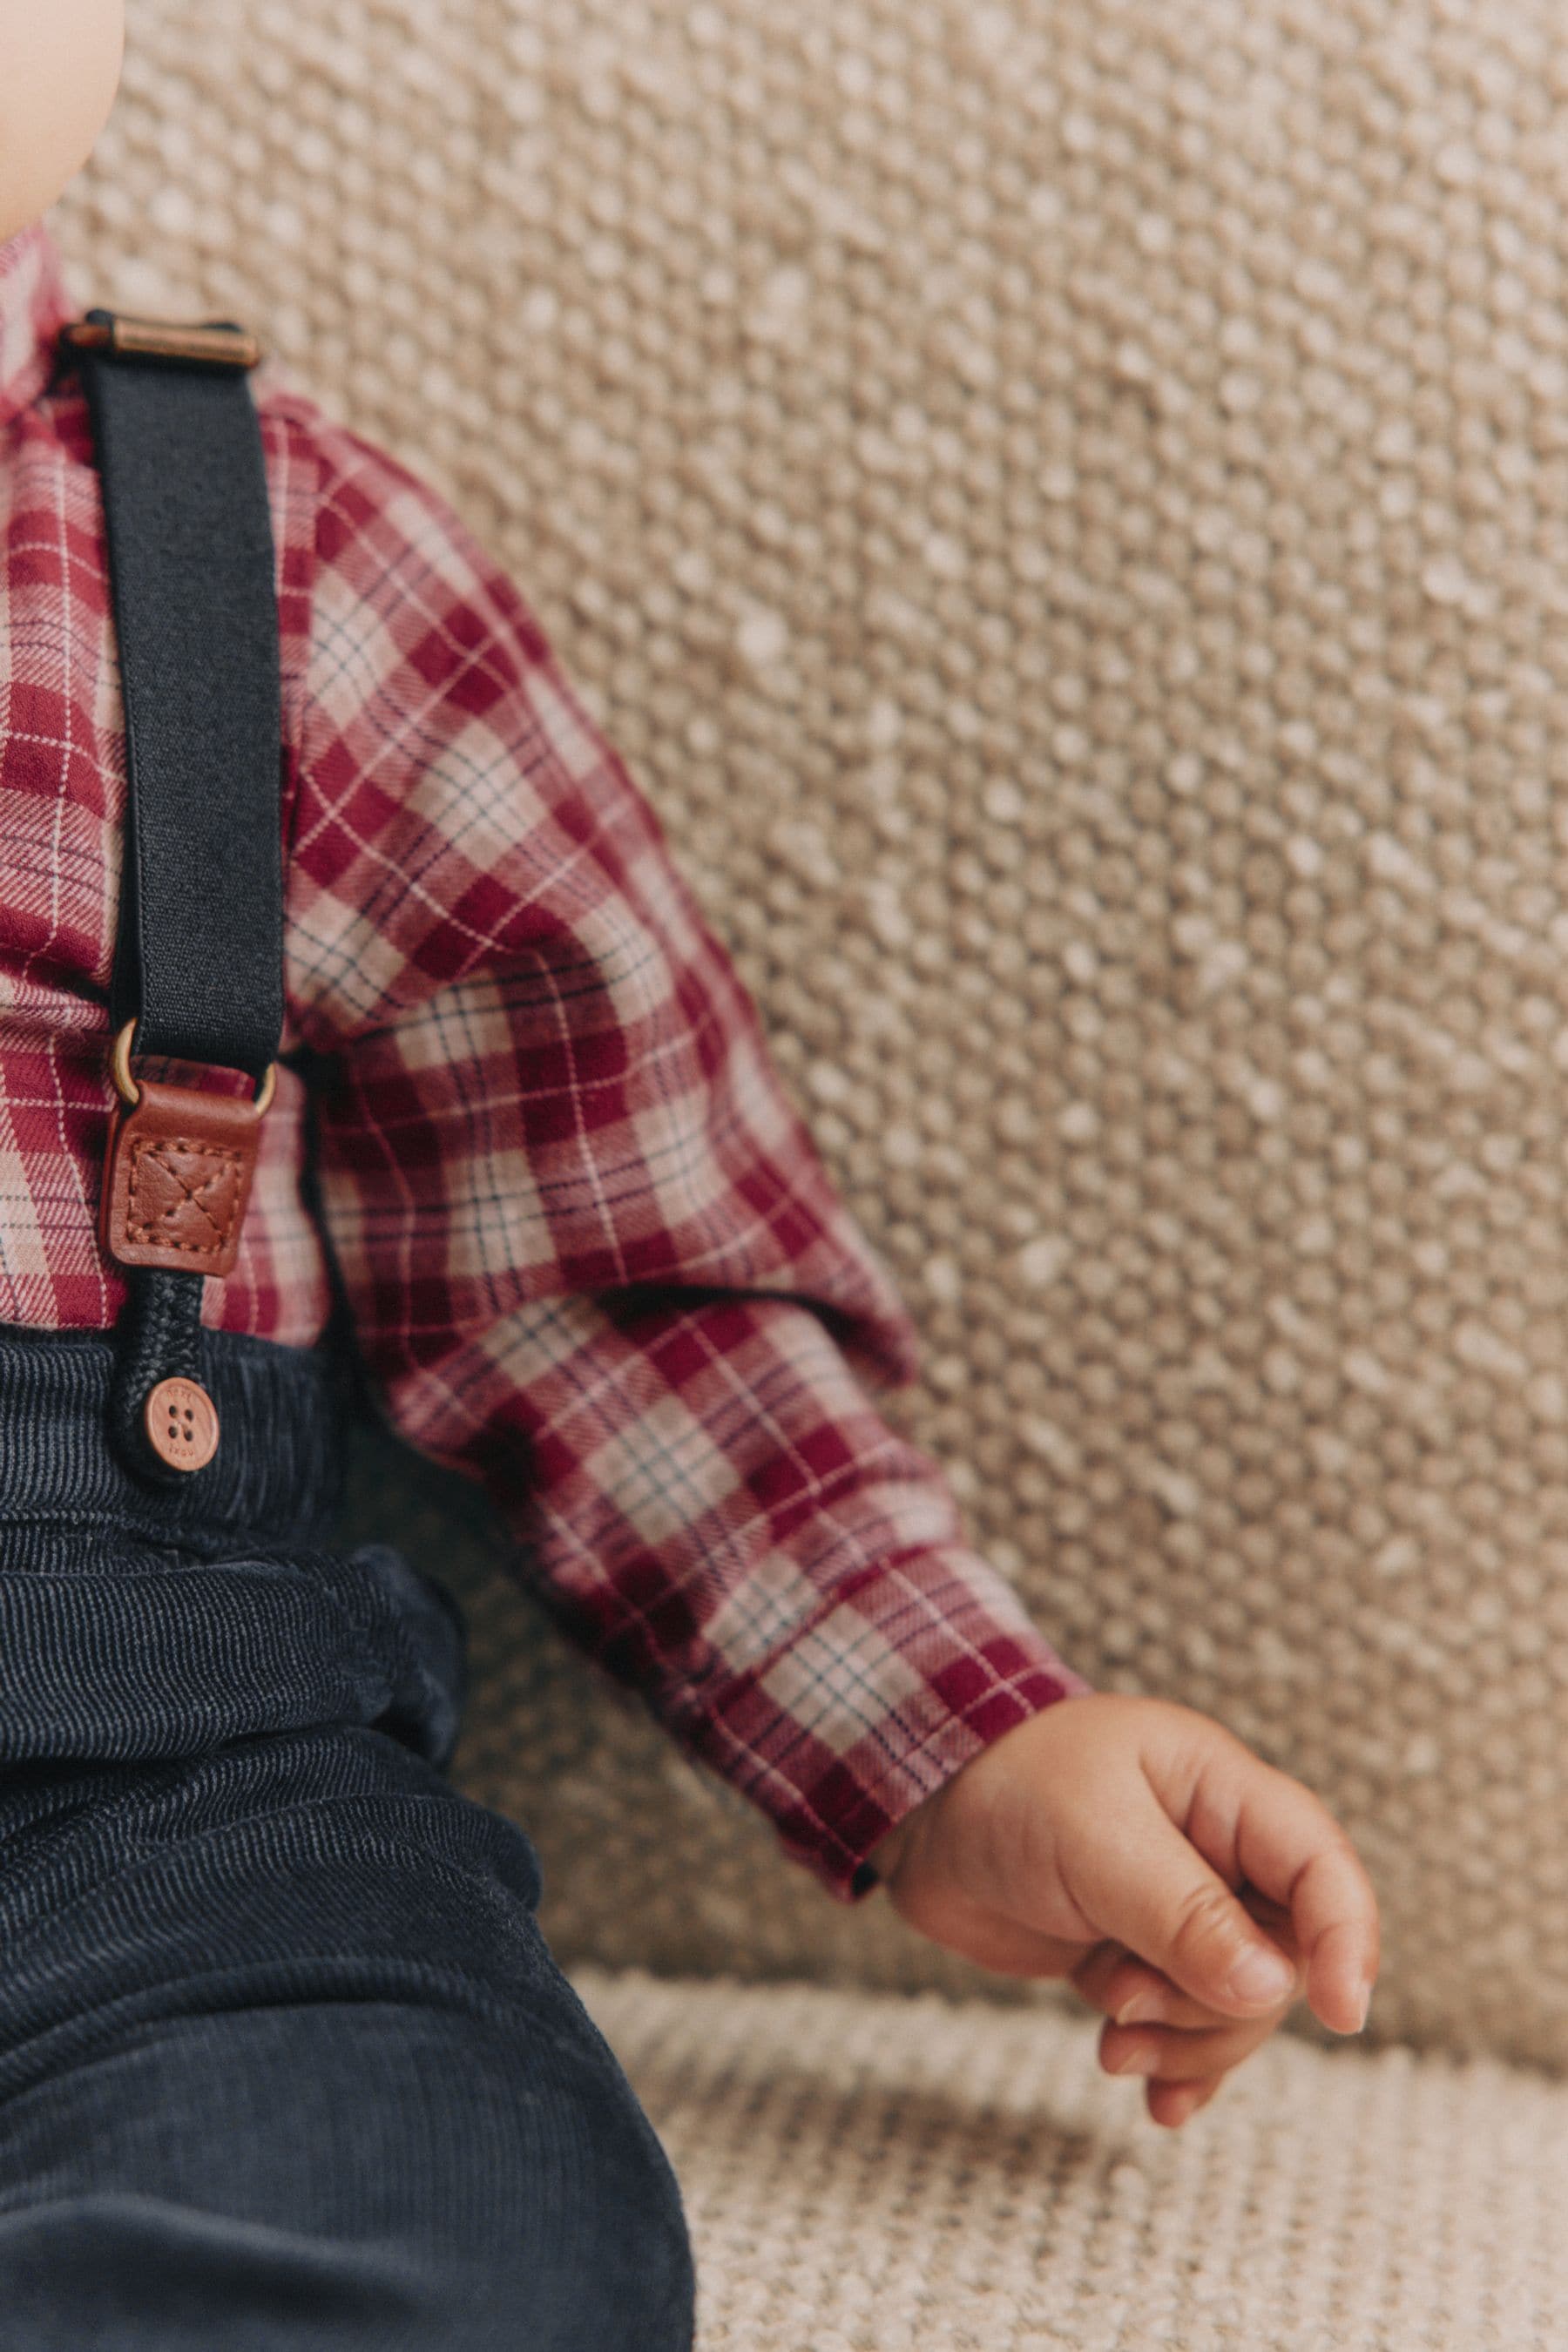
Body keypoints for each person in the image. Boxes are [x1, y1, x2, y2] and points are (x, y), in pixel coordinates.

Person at [0, 1, 1379, 2342]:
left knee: (427, 2195)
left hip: (156, 1824)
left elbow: (613, 1293)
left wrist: (958, 1734)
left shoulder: (257, 569)